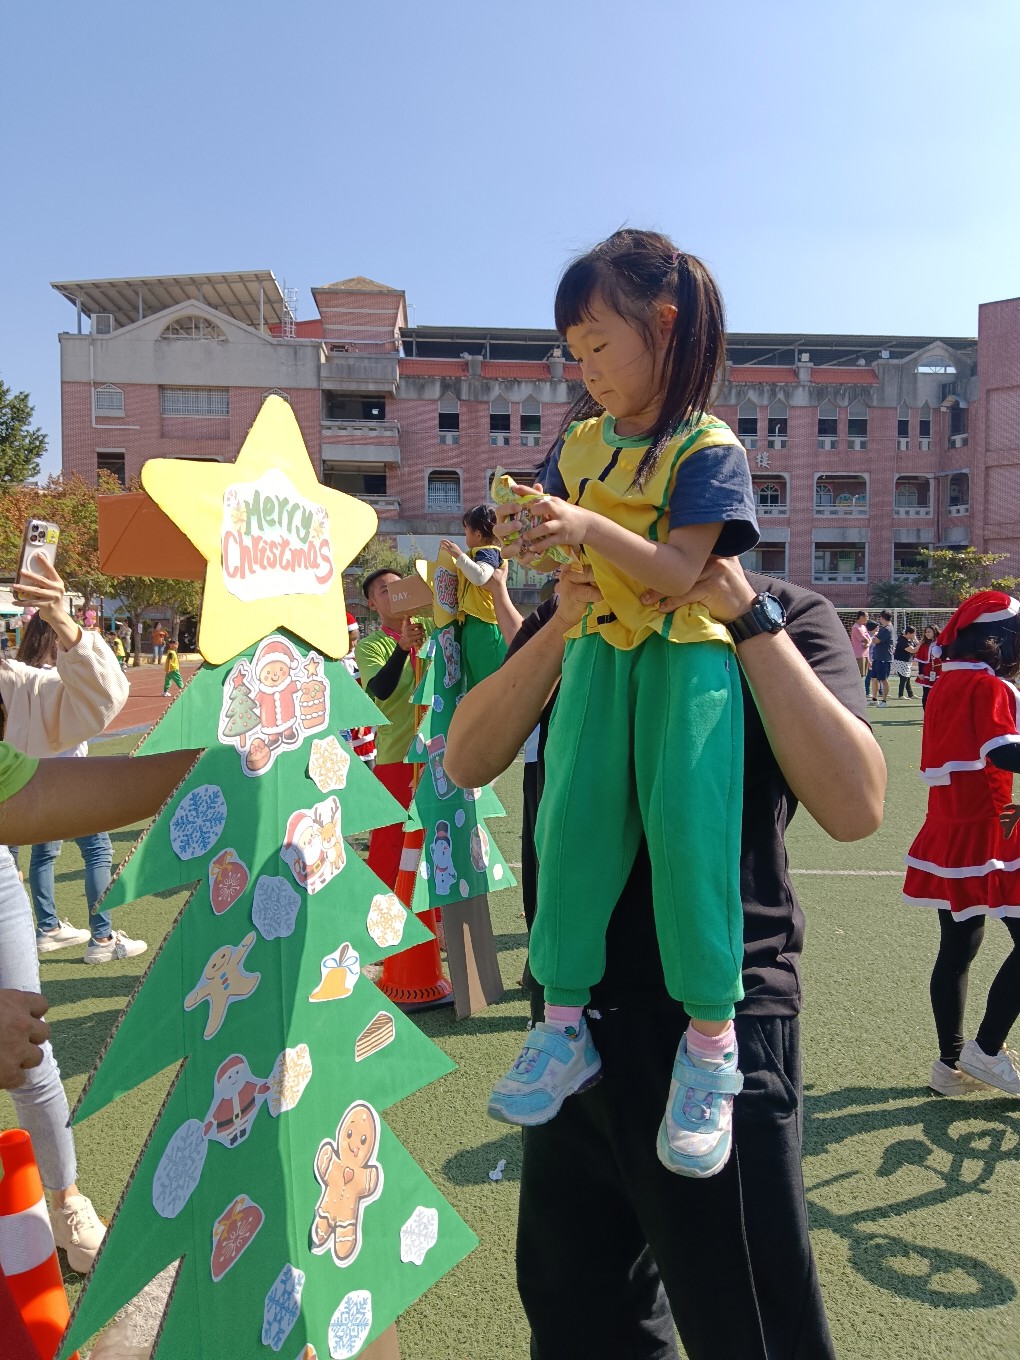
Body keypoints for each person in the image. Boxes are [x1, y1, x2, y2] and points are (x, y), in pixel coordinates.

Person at [446, 556, 885, 1359]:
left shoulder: (784, 612)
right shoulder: (573, 610)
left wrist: (743, 615)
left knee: (750, 1324)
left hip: (719, 1030)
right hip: (567, 1027)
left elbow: (856, 806)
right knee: (579, 1316)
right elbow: (467, 758)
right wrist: (562, 621)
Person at [485, 229, 760, 1181]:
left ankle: (712, 1046)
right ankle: (562, 1026)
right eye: (575, 352)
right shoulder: (579, 443)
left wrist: (585, 524)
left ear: (666, 325)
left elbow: (683, 571)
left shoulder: (708, 448)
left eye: (600, 343)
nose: (588, 368)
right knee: (569, 825)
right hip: (599, 646)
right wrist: (534, 536)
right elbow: (571, 550)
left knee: (689, 832)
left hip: (686, 655)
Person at [0, 554, 131, 1272]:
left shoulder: (7, 686)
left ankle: (65, 1201)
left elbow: (93, 704)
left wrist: (63, 620)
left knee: (30, 1045)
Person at [903, 591, 1020, 1097]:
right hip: (992, 829)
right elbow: (1005, 753)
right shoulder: (989, 686)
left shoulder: (946, 682)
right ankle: (985, 1050)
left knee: (958, 948)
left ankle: (950, 1066)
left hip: (949, 827)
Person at [12, 614, 147, 964]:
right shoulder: (60, 679)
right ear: (56, 639)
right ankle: (102, 937)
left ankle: (48, 927)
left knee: (43, 855)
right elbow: (107, 692)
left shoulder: (19, 676)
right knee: (98, 852)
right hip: (68, 780)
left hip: (30, 781)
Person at [354, 570, 427, 891]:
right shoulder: (370, 646)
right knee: (390, 845)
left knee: (434, 843)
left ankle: (432, 916)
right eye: (385, 590)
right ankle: (382, 912)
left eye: (399, 586)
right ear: (372, 604)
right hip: (397, 758)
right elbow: (380, 689)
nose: (395, 593)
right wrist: (401, 648)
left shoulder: (430, 630)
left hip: (438, 756)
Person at [439, 505, 509, 688]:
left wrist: (459, 556)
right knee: (474, 686)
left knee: (488, 686)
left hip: (486, 625)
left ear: (477, 535)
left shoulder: (489, 552)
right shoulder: (476, 555)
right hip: (472, 624)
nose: (465, 536)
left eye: (466, 531)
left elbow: (480, 576)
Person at [340, 612, 376, 769]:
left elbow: (367, 692)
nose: (353, 644)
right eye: (350, 640)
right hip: (342, 723)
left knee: (368, 764)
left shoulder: (358, 658)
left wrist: (363, 716)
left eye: (356, 639)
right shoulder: (330, 663)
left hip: (361, 723)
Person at [868, 609, 894, 706]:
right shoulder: (884, 628)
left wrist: (873, 635)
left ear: (882, 618)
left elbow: (876, 640)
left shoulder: (887, 629)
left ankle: (884, 701)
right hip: (878, 657)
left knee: (883, 679)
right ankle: (874, 699)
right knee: (874, 678)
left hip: (884, 658)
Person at [914, 623, 941, 712]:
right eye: (926, 632)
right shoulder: (924, 645)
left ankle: (937, 713)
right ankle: (926, 713)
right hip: (927, 671)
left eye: (929, 632)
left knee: (938, 694)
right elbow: (921, 660)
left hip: (939, 671)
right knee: (926, 694)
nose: (927, 634)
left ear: (934, 632)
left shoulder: (941, 643)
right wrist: (920, 673)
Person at [893, 624, 918, 699]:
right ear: (909, 633)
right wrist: (920, 644)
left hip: (907, 662)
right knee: (904, 678)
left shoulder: (910, 640)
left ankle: (910, 694)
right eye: (913, 633)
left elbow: (916, 645)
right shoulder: (902, 640)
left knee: (907, 678)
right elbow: (913, 650)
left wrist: (916, 640)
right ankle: (900, 695)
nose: (914, 635)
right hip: (901, 661)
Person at [850, 608, 871, 686]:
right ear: (861, 617)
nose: (867, 618)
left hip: (865, 654)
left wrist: (868, 644)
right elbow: (864, 639)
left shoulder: (863, 627)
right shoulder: (855, 627)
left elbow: (869, 639)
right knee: (859, 675)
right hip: (859, 655)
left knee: (863, 675)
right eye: (866, 616)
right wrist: (868, 642)